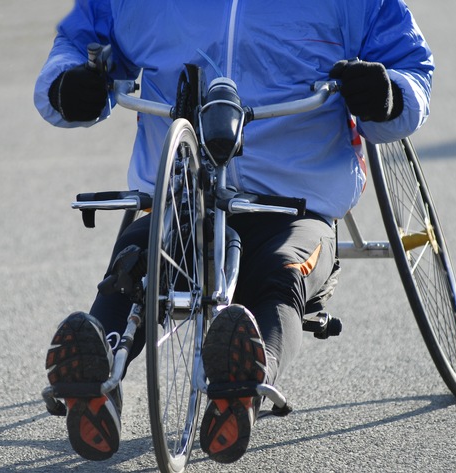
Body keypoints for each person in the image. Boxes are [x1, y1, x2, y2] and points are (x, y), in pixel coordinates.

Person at [35, 0, 433, 464]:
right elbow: (81, 43)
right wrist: (68, 88)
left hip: (294, 203)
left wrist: (390, 95)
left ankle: (241, 390)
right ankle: (97, 376)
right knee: (135, 260)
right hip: (184, 197)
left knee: (282, 274)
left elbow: (410, 66)